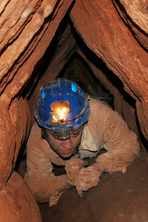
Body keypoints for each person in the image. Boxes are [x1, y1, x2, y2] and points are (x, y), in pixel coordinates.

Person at [24, 78, 140, 206]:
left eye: (75, 133)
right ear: (44, 131)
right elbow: (36, 188)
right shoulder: (37, 138)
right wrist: (69, 180)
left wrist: (97, 167)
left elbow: (130, 145)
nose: (68, 145)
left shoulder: (100, 116)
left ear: (84, 123)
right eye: (57, 136)